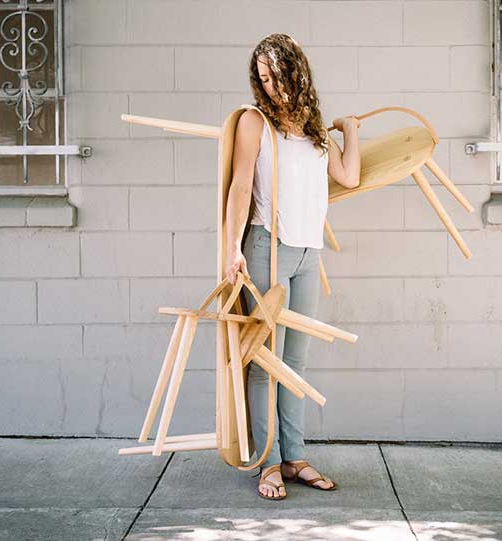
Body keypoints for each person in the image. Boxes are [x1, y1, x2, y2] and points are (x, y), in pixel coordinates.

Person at [224, 33, 361, 500]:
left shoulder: (315, 129)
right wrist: (231, 249)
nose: (269, 85)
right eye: (261, 78)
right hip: (265, 246)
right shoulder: (254, 122)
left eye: (275, 75)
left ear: (294, 71)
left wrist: (351, 130)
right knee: (264, 361)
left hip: (307, 252)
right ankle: (266, 464)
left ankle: (295, 457)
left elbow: (349, 176)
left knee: (295, 363)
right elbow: (240, 186)